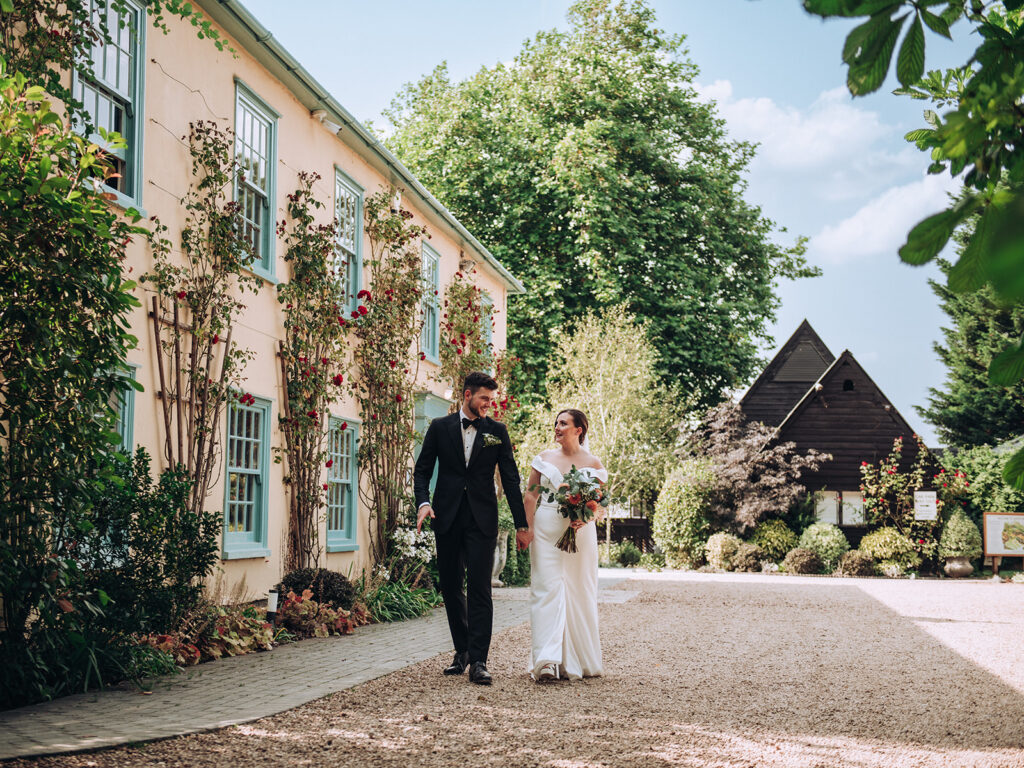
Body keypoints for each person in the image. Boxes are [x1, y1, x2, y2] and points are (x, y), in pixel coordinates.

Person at [414, 371, 531, 685]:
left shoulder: (497, 431)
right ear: (467, 395)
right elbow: (422, 470)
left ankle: (479, 660)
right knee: (451, 588)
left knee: (480, 589)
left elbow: (510, 478)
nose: (488, 405)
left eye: (491, 400)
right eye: (484, 399)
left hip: (482, 521)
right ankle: (462, 649)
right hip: (447, 518)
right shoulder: (440, 428)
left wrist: (522, 524)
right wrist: (423, 502)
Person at [523, 408, 606, 682]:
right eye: (556, 423)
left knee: (579, 589)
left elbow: (599, 505)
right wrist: (527, 528)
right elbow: (531, 496)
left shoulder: (593, 464)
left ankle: (581, 658)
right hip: (546, 532)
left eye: (563, 423)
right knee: (545, 590)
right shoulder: (543, 459)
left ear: (578, 430)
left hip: (580, 534)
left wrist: (586, 517)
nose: (557, 427)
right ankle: (546, 661)